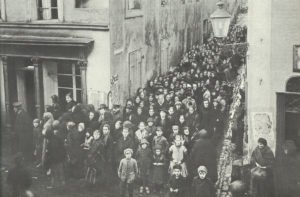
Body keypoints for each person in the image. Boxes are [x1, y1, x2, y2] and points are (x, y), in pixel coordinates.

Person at [45, 122, 66, 189]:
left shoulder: (50, 142)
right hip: (60, 158)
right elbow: (63, 148)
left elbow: (49, 152)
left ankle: (53, 184)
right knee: (61, 170)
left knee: (54, 171)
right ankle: (62, 182)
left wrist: (48, 160)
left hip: (54, 158)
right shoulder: (58, 138)